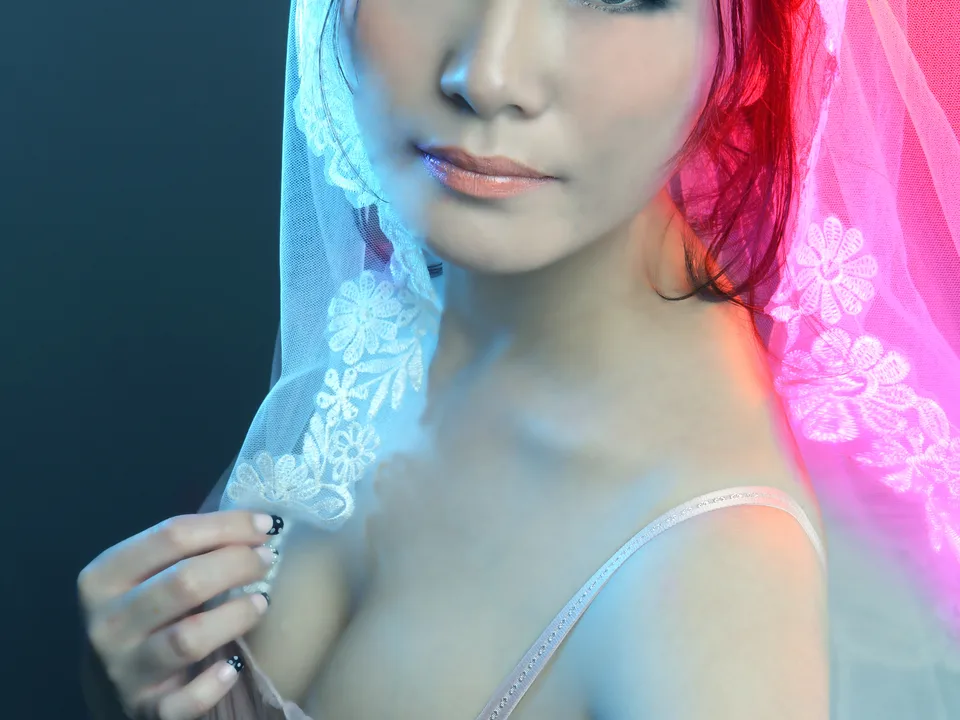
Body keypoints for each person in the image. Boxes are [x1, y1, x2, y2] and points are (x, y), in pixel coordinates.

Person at [79, 1, 960, 719]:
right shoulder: (393, 323)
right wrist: (129, 682)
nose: (487, 74)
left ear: (752, 60)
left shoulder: (712, 585)